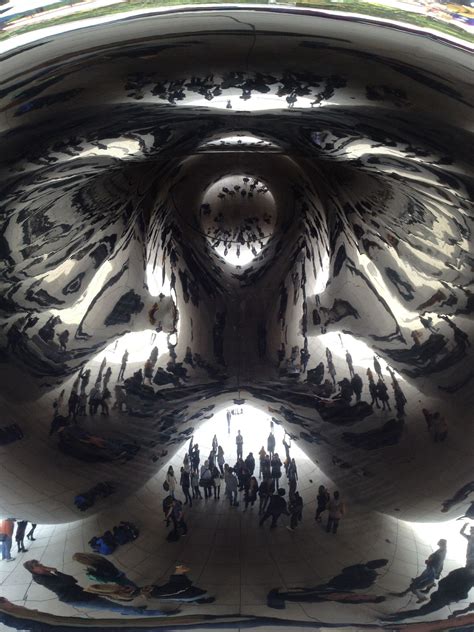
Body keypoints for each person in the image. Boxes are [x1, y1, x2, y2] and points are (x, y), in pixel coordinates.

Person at [23, 560, 170, 616]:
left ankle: (127, 612)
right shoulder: (41, 579)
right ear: (34, 571)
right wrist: (54, 572)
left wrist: (55, 571)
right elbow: (66, 583)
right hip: (76, 598)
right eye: (38, 566)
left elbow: (72, 580)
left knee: (112, 600)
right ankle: (158, 614)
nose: (42, 566)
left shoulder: (47, 574)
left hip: (81, 591)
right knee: (113, 606)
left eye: (40, 564)